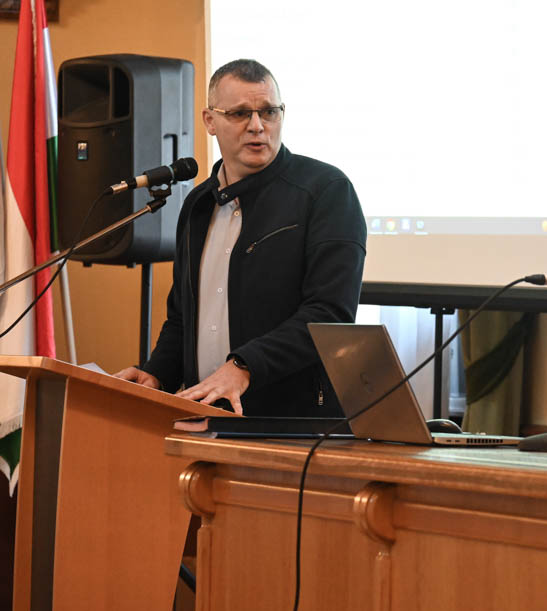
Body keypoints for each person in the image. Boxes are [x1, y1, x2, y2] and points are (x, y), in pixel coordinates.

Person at [115, 59, 366, 416]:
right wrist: (157, 374)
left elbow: (329, 315)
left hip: (295, 424)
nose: (257, 126)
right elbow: (183, 317)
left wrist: (245, 366)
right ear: (210, 121)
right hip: (205, 415)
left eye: (269, 112)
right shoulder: (198, 205)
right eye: (240, 114)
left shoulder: (326, 191)